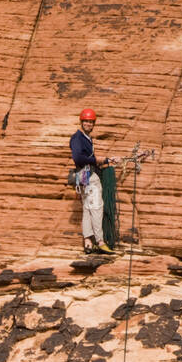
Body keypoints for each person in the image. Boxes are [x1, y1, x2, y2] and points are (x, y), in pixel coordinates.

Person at [70, 108, 114, 255]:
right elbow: (77, 158)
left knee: (88, 209)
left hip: (83, 177)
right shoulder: (77, 138)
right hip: (89, 177)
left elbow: (86, 159)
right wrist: (97, 159)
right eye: (86, 121)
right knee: (96, 207)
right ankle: (100, 241)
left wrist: (105, 161)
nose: (89, 123)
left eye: (91, 121)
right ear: (81, 122)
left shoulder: (86, 138)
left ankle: (88, 243)